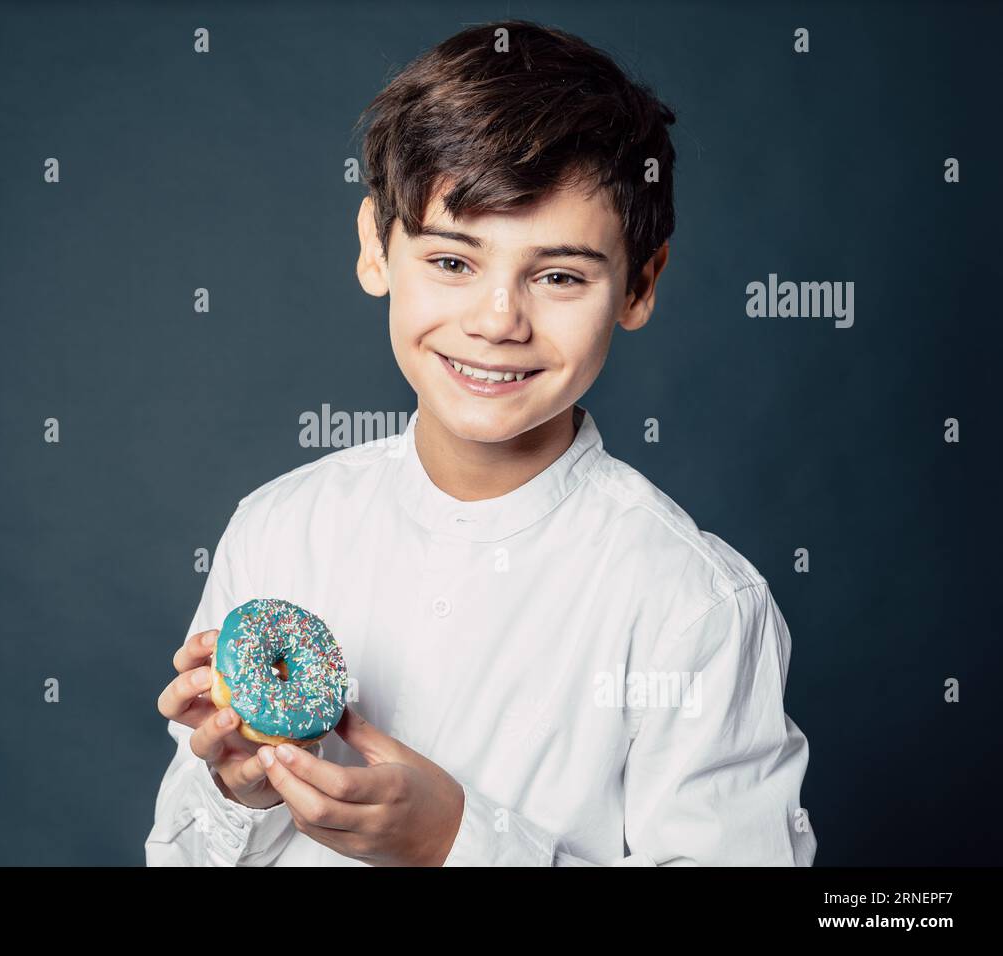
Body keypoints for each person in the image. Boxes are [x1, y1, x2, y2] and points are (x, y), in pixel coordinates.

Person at [146, 19, 817, 866]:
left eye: (560, 276)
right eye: (454, 262)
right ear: (375, 247)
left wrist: (453, 842)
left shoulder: (694, 607)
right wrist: (238, 792)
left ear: (640, 285)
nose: (498, 321)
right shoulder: (278, 528)